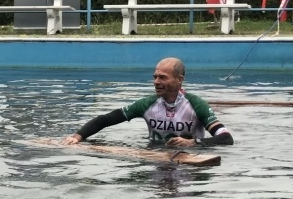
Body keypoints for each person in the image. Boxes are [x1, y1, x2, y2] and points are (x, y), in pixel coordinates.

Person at [63, 57, 234, 147]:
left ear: (179, 80)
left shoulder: (196, 104)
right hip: (154, 157)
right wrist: (78, 136)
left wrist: (193, 143)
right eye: (155, 77)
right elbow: (105, 120)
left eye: (162, 77)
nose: (156, 82)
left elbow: (226, 139)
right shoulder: (146, 104)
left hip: (190, 160)